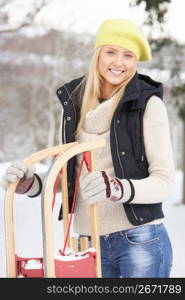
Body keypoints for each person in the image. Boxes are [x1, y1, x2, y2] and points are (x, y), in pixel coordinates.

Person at [1, 19, 175, 278]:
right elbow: (71, 175)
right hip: (86, 242)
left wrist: (117, 188)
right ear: (98, 54)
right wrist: (32, 183)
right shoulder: (75, 103)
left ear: (136, 61)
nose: (119, 62)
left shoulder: (147, 105)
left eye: (128, 55)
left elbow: (165, 182)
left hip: (140, 241)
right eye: (111, 52)